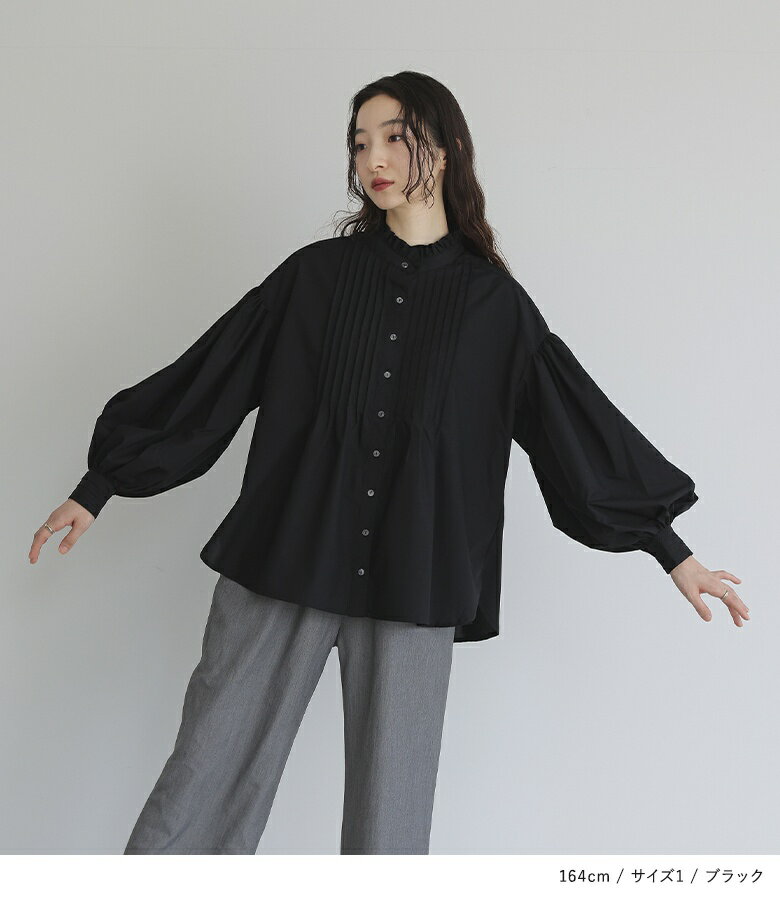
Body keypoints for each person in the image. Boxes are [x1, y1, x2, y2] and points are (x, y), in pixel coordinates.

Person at [29, 71, 748, 855]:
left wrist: (668, 547)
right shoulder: (312, 278)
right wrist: (100, 485)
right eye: (360, 142)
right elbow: (213, 376)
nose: (374, 158)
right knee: (203, 783)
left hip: (417, 578)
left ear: (449, 146)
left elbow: (573, 428)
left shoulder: (496, 309)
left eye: (396, 137)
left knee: (390, 828)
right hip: (284, 556)